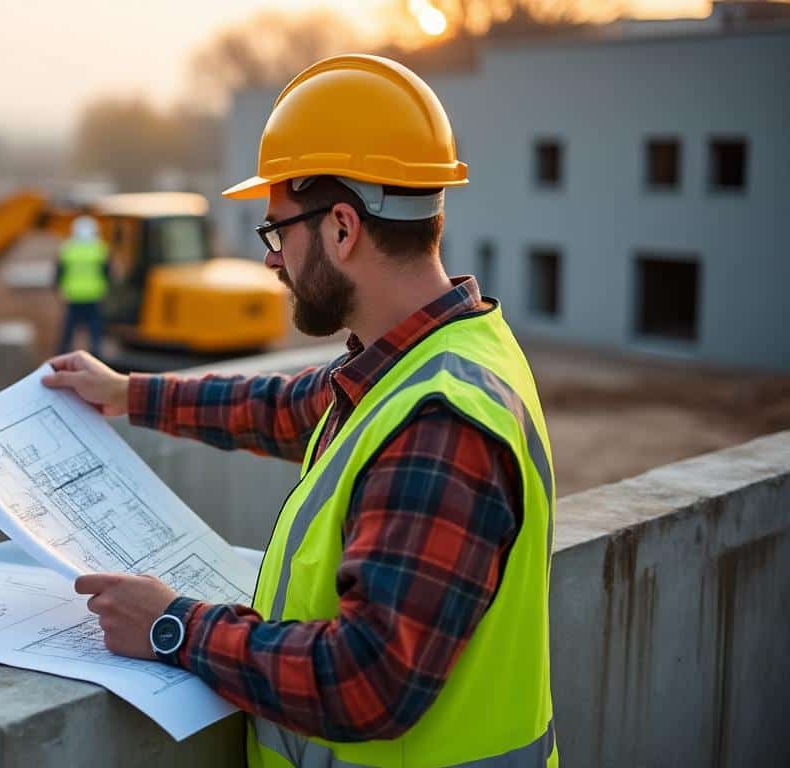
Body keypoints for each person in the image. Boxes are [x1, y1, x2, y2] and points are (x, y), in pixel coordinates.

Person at [45, 54, 557, 767]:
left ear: (342, 228)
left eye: (277, 230)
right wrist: (130, 393)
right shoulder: (434, 354)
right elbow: (285, 407)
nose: (272, 261)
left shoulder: (440, 422)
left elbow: (367, 680)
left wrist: (173, 626)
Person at [54, 215, 110, 355]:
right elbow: (106, 272)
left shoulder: (68, 248)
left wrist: (59, 289)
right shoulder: (100, 248)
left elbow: (59, 272)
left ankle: (62, 353)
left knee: (69, 326)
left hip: (73, 294)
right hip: (93, 293)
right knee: (94, 327)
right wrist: (106, 289)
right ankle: (96, 354)